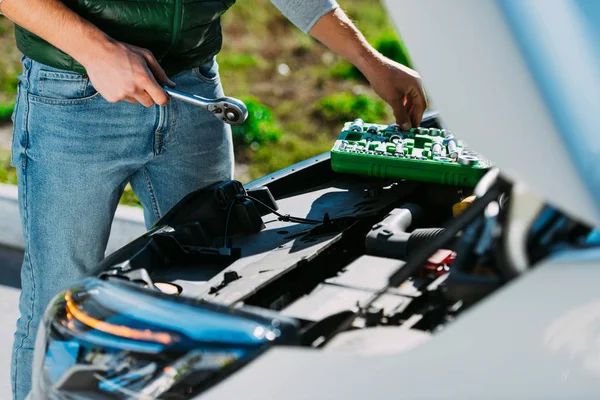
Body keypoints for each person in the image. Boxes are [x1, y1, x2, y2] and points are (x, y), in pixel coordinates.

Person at [0, 0, 427, 398]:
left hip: (193, 90)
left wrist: (372, 62)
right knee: (56, 303)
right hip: (75, 89)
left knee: (211, 287)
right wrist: (96, 50)